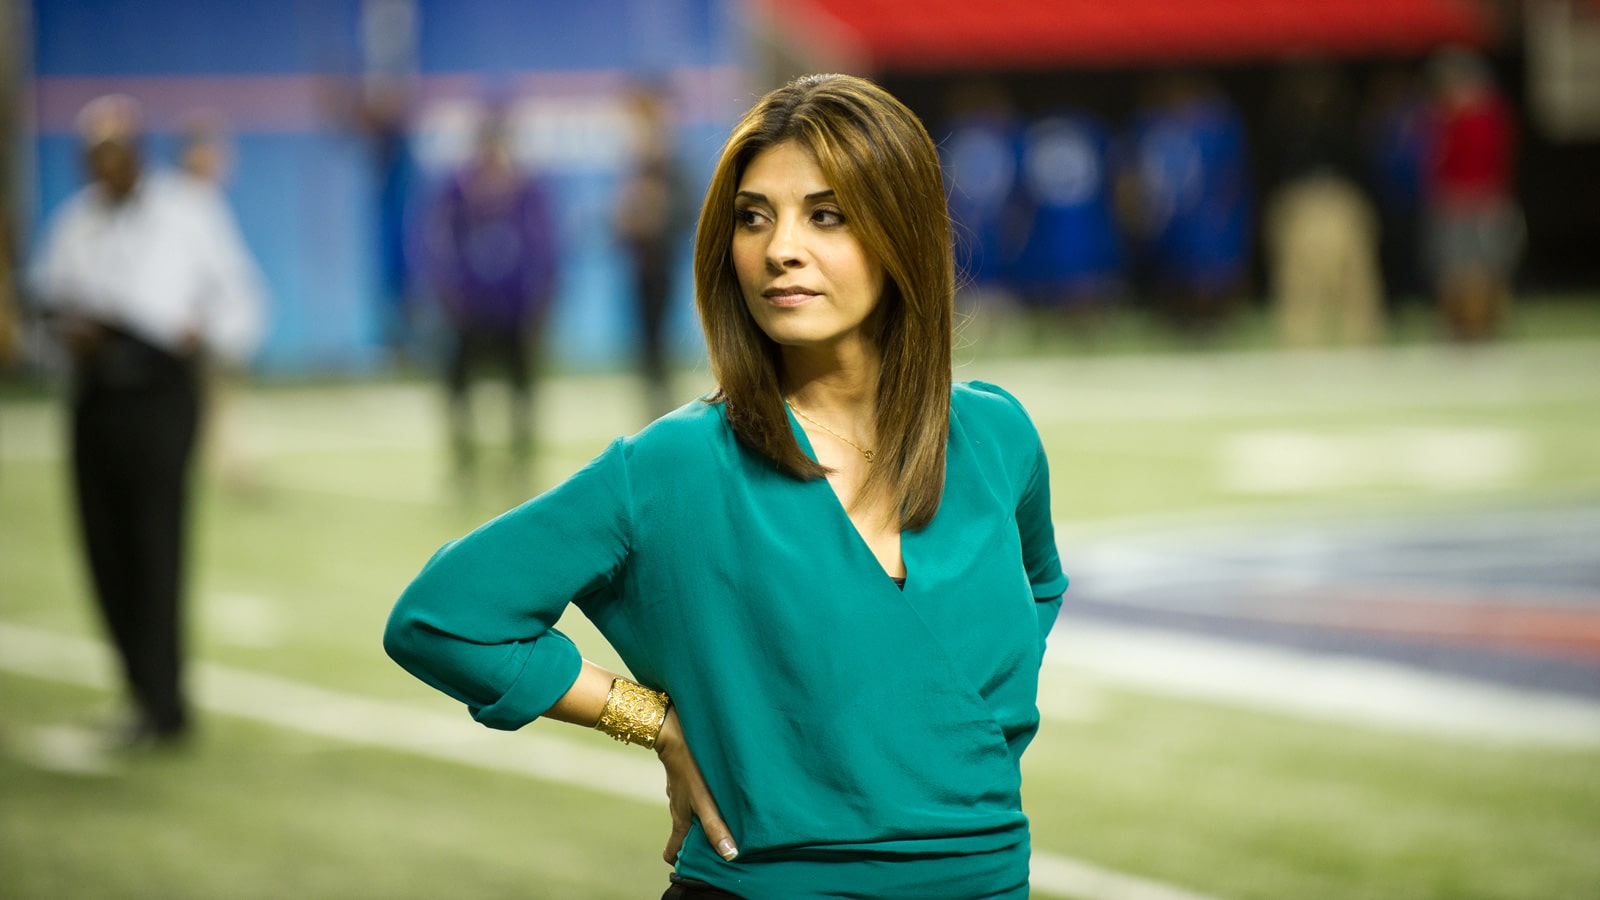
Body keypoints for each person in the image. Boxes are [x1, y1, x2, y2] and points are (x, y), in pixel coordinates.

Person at [385, 74, 1069, 899]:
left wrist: (951, 738)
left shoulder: (998, 436)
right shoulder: (677, 463)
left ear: (904, 228)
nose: (780, 248)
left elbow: (1040, 586)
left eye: (826, 215)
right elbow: (443, 617)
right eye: (754, 217)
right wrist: (653, 722)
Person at [29, 94, 265, 746]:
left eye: (119, 151)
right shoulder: (73, 224)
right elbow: (45, 317)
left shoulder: (187, 211)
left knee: (155, 544)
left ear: (138, 153)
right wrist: (64, 341)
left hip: (160, 392)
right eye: (97, 154)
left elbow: (240, 298)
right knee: (102, 546)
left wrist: (204, 337)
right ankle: (138, 689)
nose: (109, 164)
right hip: (94, 397)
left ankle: (165, 703)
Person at [421, 105, 559, 498]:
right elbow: (436, 243)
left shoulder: (526, 191)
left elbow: (544, 247)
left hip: (515, 310)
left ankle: (521, 463)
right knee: (458, 386)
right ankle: (465, 462)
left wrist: (543, 298)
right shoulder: (458, 192)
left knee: (522, 389)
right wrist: (446, 293)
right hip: (470, 309)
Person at [612, 80, 696, 422]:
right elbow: (623, 221)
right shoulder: (638, 167)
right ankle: (653, 403)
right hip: (641, 264)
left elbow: (686, 212)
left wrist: (658, 217)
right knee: (646, 343)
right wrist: (627, 223)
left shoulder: (671, 167)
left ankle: (663, 404)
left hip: (662, 264)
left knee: (660, 341)